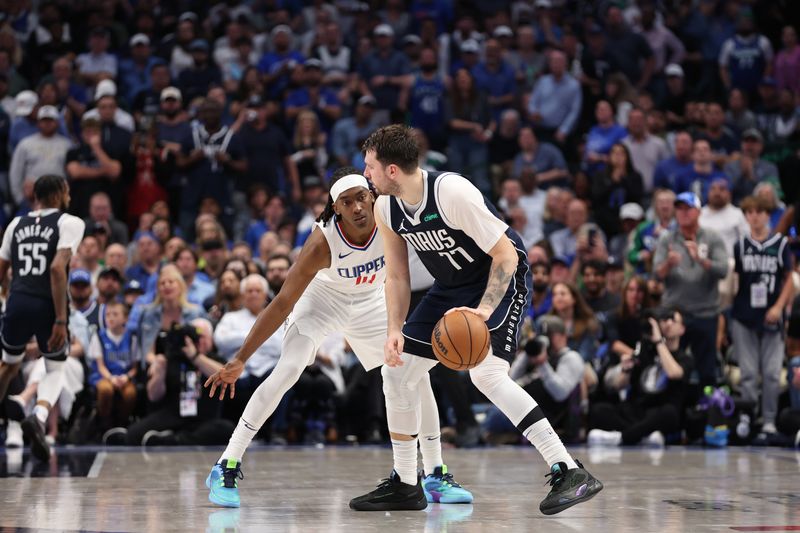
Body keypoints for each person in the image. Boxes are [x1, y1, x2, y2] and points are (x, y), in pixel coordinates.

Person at [356, 124, 602, 514]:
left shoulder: (452, 192)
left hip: (500, 277)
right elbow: (398, 276)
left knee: (485, 374)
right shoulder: (386, 207)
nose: (364, 174)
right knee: (397, 371)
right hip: (452, 286)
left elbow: (505, 255)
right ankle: (406, 482)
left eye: (369, 166)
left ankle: (569, 470)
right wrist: (394, 330)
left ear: (391, 170)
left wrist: (484, 312)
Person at [203, 167, 473, 508]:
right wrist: (241, 358)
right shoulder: (322, 242)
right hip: (321, 302)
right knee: (289, 368)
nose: (358, 207)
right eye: (347, 202)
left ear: (372, 197)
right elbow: (284, 301)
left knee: (414, 374)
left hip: (371, 301)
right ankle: (226, 463)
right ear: (336, 209)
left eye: (361, 197)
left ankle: (435, 473)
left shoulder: (390, 217)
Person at [0, 175, 85, 460]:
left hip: (16, 301)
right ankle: (37, 415)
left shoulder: (15, 224)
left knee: (9, 365)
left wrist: (7, 298)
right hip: (47, 305)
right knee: (56, 367)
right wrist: (61, 318)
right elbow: (58, 269)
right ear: (61, 193)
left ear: (34, 196)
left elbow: (1, 270)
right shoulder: (68, 222)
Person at [731, 196, 794, 440]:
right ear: (746, 216)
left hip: (771, 315)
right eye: (750, 212)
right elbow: (735, 279)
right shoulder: (740, 245)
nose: (754, 217)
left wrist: (779, 306)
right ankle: (747, 417)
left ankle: (768, 421)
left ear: (768, 215)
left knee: (770, 372)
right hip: (744, 314)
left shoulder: (780, 244)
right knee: (747, 372)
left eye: (759, 212)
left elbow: (790, 277)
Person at [653, 192, 729, 386]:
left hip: (705, 313)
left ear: (699, 211)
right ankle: (674, 409)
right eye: (679, 209)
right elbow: (656, 274)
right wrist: (668, 264)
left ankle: (707, 408)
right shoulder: (667, 239)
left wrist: (700, 260)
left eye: (688, 209)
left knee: (707, 371)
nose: (683, 213)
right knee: (670, 365)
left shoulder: (712, 238)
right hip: (674, 315)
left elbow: (723, 271)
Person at [588, 308, 693, 447]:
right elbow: (618, 385)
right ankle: (644, 436)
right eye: (664, 320)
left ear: (682, 329)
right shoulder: (645, 351)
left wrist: (658, 342)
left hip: (660, 410)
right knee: (598, 410)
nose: (668, 324)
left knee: (670, 415)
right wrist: (625, 369)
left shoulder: (685, 358)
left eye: (673, 320)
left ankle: (621, 438)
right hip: (637, 410)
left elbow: (674, 373)